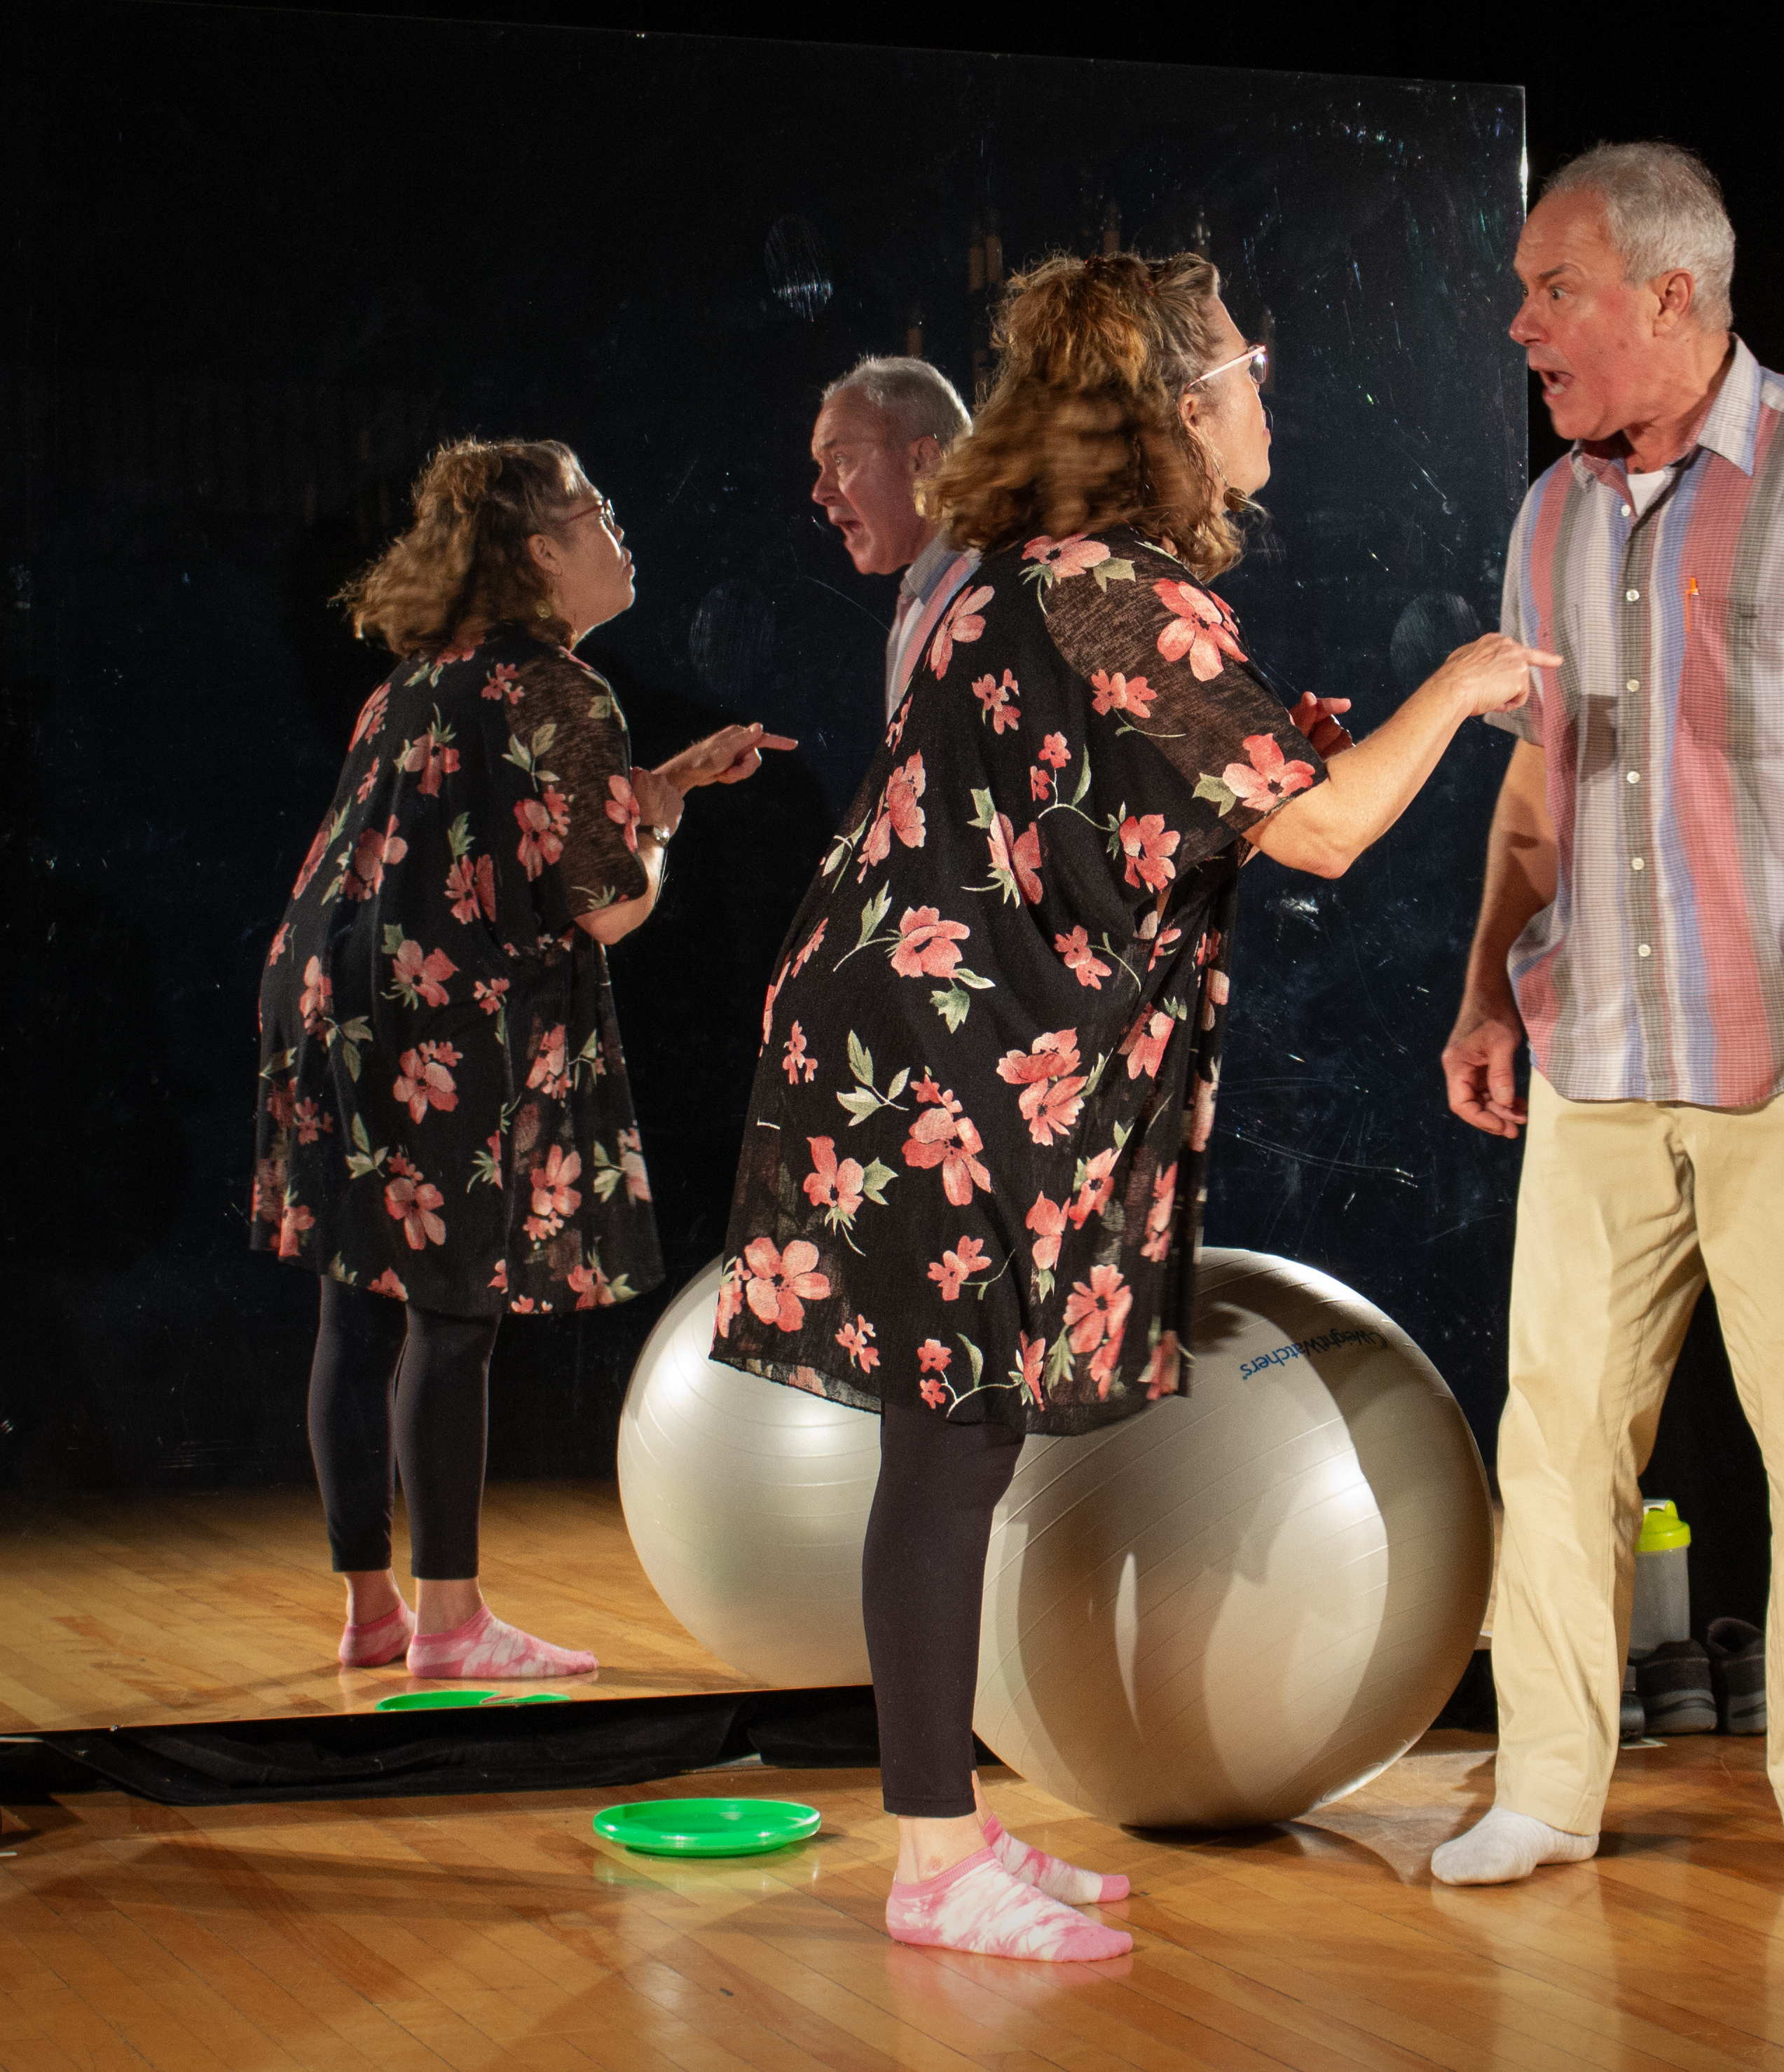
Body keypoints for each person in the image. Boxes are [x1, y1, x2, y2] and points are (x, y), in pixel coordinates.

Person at [715, 249, 1556, 1961]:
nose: (1269, 394)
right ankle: (937, 1859)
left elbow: (1137, 796)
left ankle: (951, 1837)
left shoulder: (1055, 577)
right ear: (1182, 405)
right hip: (948, 1060)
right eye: (1249, 364)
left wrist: (1295, 736)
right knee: (949, 1452)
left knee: (958, 1445)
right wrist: (1466, 687)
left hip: (944, 1042)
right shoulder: (1113, 587)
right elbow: (1317, 829)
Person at [1431, 143, 1784, 1895]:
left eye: (1554, 289)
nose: (1522, 322)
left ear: (1669, 294)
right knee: (1556, 1430)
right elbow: (1537, 785)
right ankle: (1542, 1782)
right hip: (1600, 1049)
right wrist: (1482, 983)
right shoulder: (1548, 513)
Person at [252, 438, 790, 1681]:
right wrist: (659, 843)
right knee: (452, 1315)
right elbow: (601, 904)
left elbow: (510, 827)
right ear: (542, 551)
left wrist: (652, 788)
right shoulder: (562, 688)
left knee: (356, 1299)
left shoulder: (415, 680)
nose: (620, 526)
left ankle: (373, 1611)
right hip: (441, 1013)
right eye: (597, 509)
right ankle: (449, 1625)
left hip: (330, 995)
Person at [807, 354, 980, 725]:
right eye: (821, 467)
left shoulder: (982, 591)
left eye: (840, 459)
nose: (820, 492)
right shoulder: (921, 602)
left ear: (924, 461)